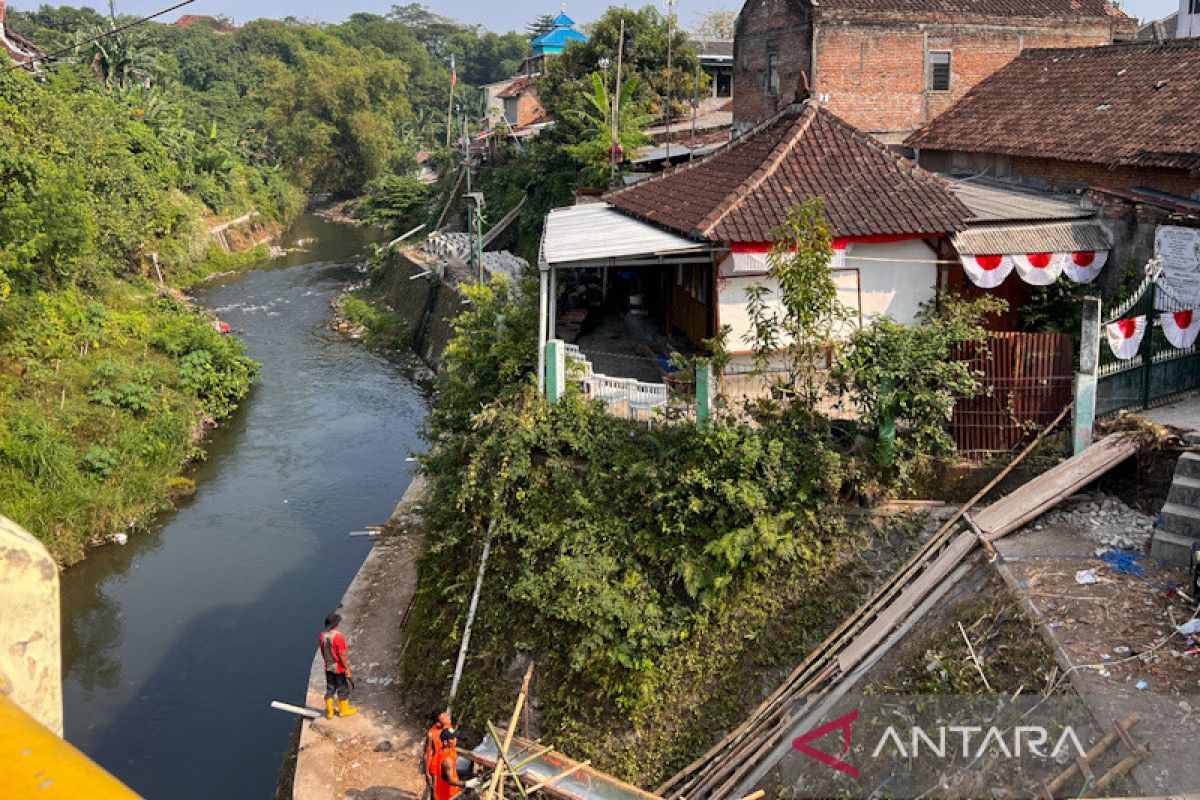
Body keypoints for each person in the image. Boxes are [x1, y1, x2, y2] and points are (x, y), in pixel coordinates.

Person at [318, 612, 358, 719]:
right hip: (338, 668)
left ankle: (330, 712)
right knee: (343, 688)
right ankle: (343, 711)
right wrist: (347, 669)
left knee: (330, 688)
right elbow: (342, 655)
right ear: (336, 624)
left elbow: (322, 652)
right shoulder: (338, 637)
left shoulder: (322, 636)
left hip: (328, 666)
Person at [434, 728, 479, 800]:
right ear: (445, 742)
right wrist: (467, 783)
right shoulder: (447, 760)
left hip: (451, 789)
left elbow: (453, 770)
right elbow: (451, 781)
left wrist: (470, 775)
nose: (455, 739)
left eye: (455, 737)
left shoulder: (451, 750)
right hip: (447, 794)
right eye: (452, 738)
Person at [423, 711, 453, 800]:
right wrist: (427, 772)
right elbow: (427, 754)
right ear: (438, 723)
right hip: (436, 766)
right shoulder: (431, 734)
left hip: (447, 763)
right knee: (436, 792)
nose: (447, 718)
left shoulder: (448, 727)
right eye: (444, 718)